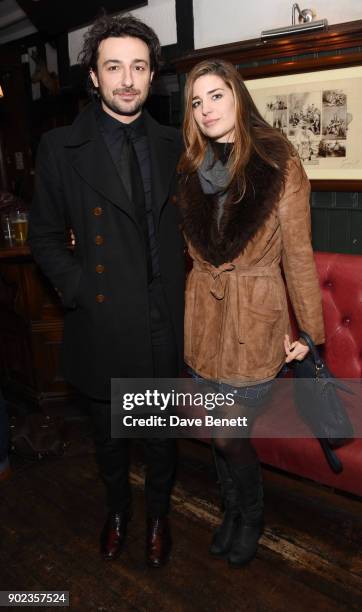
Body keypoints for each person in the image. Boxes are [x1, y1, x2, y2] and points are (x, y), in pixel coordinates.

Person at [28, 14, 185, 567]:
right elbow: (44, 235)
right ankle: (118, 510)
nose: (127, 79)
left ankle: (159, 515)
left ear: (151, 75)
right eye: (113, 66)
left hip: (165, 314)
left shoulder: (173, 142)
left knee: (163, 435)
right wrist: (76, 289)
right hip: (101, 315)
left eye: (138, 67)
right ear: (92, 76)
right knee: (112, 437)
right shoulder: (60, 148)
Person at [177, 59, 324, 567]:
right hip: (202, 321)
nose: (206, 109)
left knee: (227, 433)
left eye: (216, 96)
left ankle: (252, 515)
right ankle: (231, 511)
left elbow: (299, 254)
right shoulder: (191, 167)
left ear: (238, 97)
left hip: (255, 321)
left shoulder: (277, 161)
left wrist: (309, 329)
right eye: (197, 102)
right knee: (220, 434)